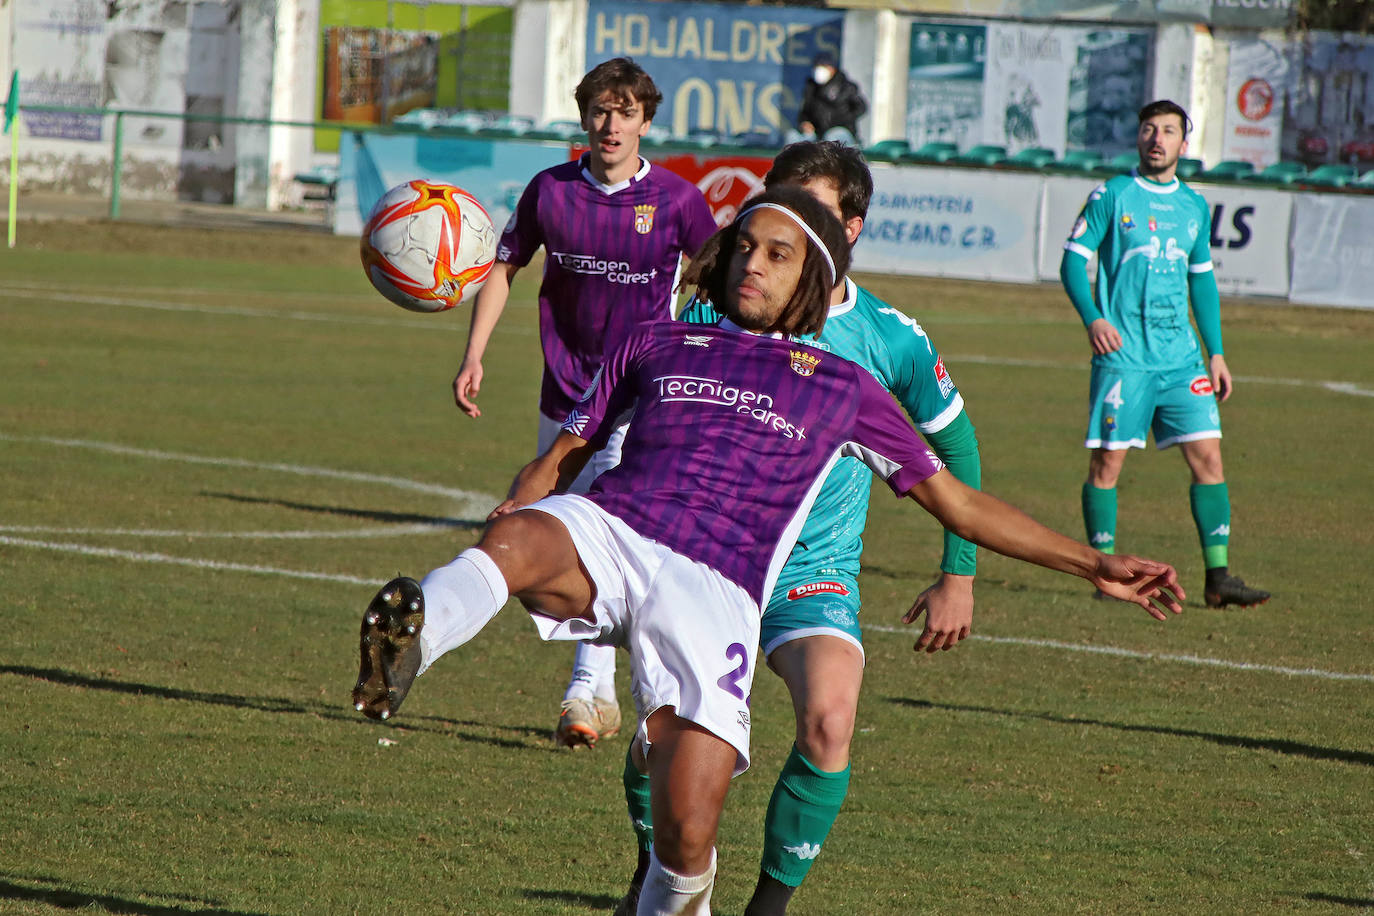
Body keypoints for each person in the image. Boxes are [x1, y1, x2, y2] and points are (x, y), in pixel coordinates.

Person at [355, 185, 1185, 916]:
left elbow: (958, 504)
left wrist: (1094, 563)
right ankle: (414, 641)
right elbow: (563, 455)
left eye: (777, 254)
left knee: (688, 834)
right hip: (616, 532)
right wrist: (522, 497)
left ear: (811, 280)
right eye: (744, 246)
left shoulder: (846, 389)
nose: (751, 263)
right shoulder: (659, 340)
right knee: (522, 540)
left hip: (715, 587)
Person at [616, 141, 983, 916]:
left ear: (850, 228)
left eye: (811, 212)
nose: (781, 228)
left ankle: (767, 909)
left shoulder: (888, 337)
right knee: (660, 745)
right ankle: (657, 877)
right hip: (704, 561)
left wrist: (959, 571)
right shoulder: (717, 304)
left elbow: (955, 444)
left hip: (810, 573)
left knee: (829, 719)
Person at [451, 57, 718, 747]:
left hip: (638, 400)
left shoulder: (678, 200)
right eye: (599, 110)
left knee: (597, 527)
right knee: (566, 531)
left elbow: (719, 281)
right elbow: (505, 265)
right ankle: (605, 691)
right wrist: (475, 352)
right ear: (584, 117)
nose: (610, 124)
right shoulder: (551, 192)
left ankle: (584, 690)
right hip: (563, 392)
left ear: (645, 122)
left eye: (624, 112)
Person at [1060, 99, 1270, 609]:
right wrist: (1094, 318)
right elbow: (1072, 261)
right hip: (1125, 357)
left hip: (1182, 360)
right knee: (1107, 464)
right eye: (1149, 129)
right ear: (1139, 138)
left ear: (1183, 142)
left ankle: (1218, 579)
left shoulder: (1194, 206)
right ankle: (1104, 573)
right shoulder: (1113, 194)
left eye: (1168, 131)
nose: (1157, 138)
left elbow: (1203, 282)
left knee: (1209, 458)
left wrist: (1216, 353)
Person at [796, 51, 867, 145]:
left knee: (831, 138)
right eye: (817, 67)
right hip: (817, 133)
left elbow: (861, 108)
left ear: (832, 69)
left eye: (824, 67)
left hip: (841, 131)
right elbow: (804, 112)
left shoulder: (846, 87)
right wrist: (805, 123)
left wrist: (841, 120)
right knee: (794, 137)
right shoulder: (811, 88)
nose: (820, 70)